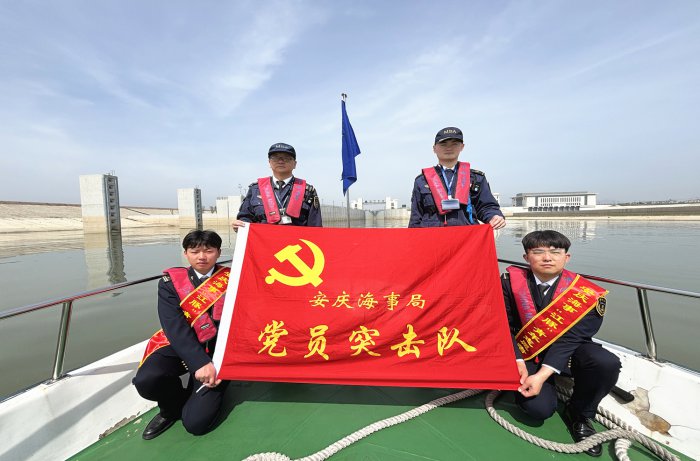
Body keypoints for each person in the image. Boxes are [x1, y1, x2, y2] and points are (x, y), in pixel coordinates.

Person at [501, 230, 621, 457]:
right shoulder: (508, 283)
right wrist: (516, 359)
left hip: (569, 351)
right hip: (527, 351)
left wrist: (543, 375)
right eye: (538, 252)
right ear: (526, 257)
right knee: (538, 410)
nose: (547, 258)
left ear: (567, 258)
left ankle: (580, 414)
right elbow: (501, 325)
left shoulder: (586, 293)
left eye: (555, 252)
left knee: (605, 363)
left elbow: (573, 338)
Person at [133, 230, 230, 440]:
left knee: (196, 424)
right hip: (180, 344)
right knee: (146, 380)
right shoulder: (170, 282)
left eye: (209, 251)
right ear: (185, 254)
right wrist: (199, 363)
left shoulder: (233, 278)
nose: (202, 257)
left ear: (219, 252)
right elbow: (174, 326)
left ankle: (207, 392)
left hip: (217, 350)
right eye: (194, 251)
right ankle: (170, 409)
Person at [408, 127, 506, 229]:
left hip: (467, 236)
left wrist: (494, 216)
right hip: (432, 236)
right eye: (443, 144)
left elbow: (486, 206)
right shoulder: (422, 180)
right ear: (434, 148)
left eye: (454, 144)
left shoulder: (476, 178)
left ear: (462, 147)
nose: (449, 148)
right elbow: (416, 217)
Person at [232, 142, 322, 229]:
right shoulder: (256, 189)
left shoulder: (307, 191)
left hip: (296, 239)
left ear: (295, 164)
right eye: (275, 158)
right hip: (264, 239)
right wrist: (239, 226)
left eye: (286, 158)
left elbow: (315, 227)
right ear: (269, 162)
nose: (280, 161)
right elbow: (245, 218)